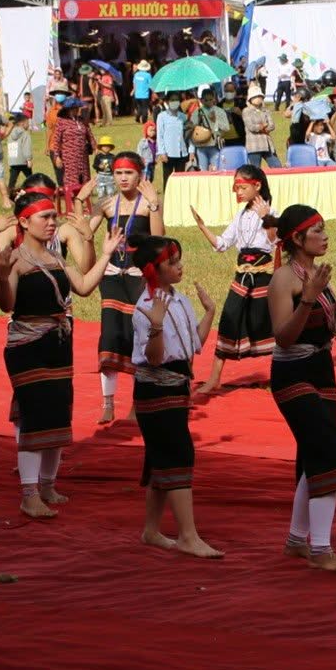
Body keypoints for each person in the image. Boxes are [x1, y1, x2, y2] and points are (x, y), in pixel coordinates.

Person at [0, 191, 118, 519]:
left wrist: (106, 255)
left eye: (53, 216)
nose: (52, 222)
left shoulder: (55, 258)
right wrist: (3, 278)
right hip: (27, 348)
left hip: (59, 344)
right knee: (35, 416)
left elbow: (86, 286)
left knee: (59, 414)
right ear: (23, 221)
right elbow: (7, 305)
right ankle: (29, 494)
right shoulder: (15, 260)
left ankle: (47, 485)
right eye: (44, 217)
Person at [266, 204, 336, 572]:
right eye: (317, 231)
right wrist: (307, 297)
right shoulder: (284, 279)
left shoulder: (315, 274)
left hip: (322, 369)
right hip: (293, 372)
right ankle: (321, 550)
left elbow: (329, 328)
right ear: (296, 238)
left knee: (314, 453)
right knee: (327, 450)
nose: (325, 236)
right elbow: (284, 336)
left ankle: (298, 541)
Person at [125, 234, 223, 558]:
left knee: (160, 459)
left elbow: (193, 343)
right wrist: (155, 327)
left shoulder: (178, 300)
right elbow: (153, 358)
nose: (180, 267)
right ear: (154, 270)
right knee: (178, 454)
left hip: (177, 387)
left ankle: (152, 530)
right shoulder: (144, 310)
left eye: (179, 260)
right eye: (173, 262)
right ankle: (188, 535)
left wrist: (209, 312)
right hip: (156, 391)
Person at [190, 163, 278, 395]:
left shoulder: (272, 211)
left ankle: (285, 376)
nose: (238, 192)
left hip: (263, 277)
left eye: (242, 187)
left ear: (257, 185)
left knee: (267, 323)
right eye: (235, 188)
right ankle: (214, 379)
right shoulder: (240, 215)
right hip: (241, 276)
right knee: (229, 319)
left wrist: (267, 218)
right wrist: (202, 227)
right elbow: (222, 244)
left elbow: (273, 242)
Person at [91, 152, 161, 425]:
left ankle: (135, 404)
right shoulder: (108, 204)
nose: (122, 178)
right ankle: (107, 403)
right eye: (118, 173)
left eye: (128, 173)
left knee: (137, 338)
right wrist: (84, 204)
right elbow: (84, 231)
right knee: (110, 335)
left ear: (140, 175)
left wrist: (155, 205)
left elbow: (158, 238)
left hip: (138, 274)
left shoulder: (148, 204)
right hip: (112, 275)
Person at [51, 99, 94, 203]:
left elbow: (89, 135)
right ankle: (72, 203)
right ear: (68, 110)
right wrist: (56, 157)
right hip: (69, 156)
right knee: (71, 180)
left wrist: (95, 147)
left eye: (77, 109)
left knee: (84, 178)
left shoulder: (81, 120)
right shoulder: (61, 122)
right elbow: (56, 140)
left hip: (82, 155)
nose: (76, 111)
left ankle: (85, 201)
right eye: (73, 109)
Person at [154, 94, 189, 187]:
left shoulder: (183, 116)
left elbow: (187, 134)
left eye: (177, 100)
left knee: (181, 179)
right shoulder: (162, 116)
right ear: (167, 102)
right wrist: (162, 152)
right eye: (172, 100)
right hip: (168, 153)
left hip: (182, 152)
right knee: (168, 179)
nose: (175, 102)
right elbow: (160, 135)